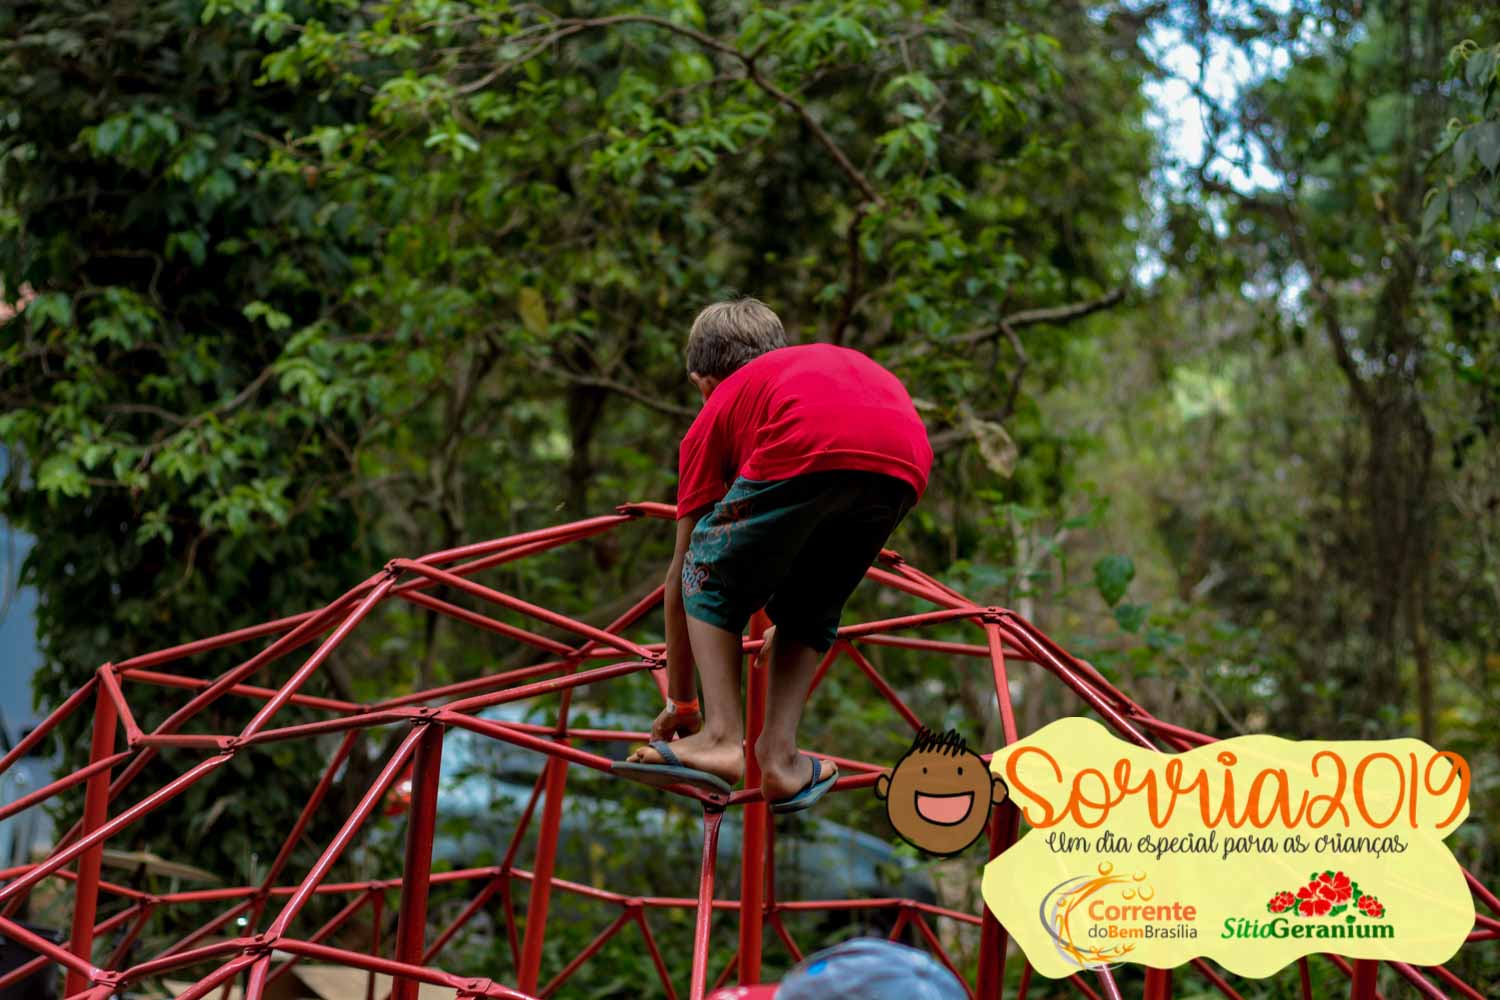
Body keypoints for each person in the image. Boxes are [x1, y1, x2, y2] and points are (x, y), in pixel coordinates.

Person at [614, 297, 933, 812]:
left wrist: (683, 702)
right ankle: (781, 760)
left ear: (703, 383)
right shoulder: (802, 372)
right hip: (907, 454)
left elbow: (684, 572)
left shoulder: (719, 407)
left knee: (705, 567)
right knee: (809, 607)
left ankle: (721, 738)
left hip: (810, 437)